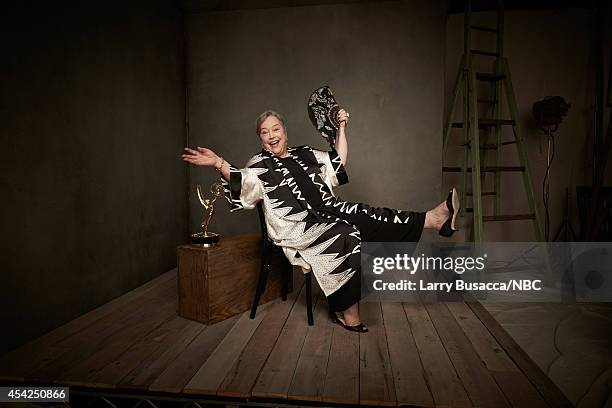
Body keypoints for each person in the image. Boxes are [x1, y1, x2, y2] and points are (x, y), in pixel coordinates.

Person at [182, 109, 459, 332]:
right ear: (260, 139)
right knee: (344, 232)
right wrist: (219, 162)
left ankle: (432, 220)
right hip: (299, 226)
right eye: (265, 132)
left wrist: (341, 128)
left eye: (275, 129)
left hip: (330, 208)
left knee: (365, 213)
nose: (271, 135)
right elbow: (242, 181)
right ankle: (347, 311)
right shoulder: (259, 163)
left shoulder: (305, 154)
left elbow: (338, 162)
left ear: (285, 132)